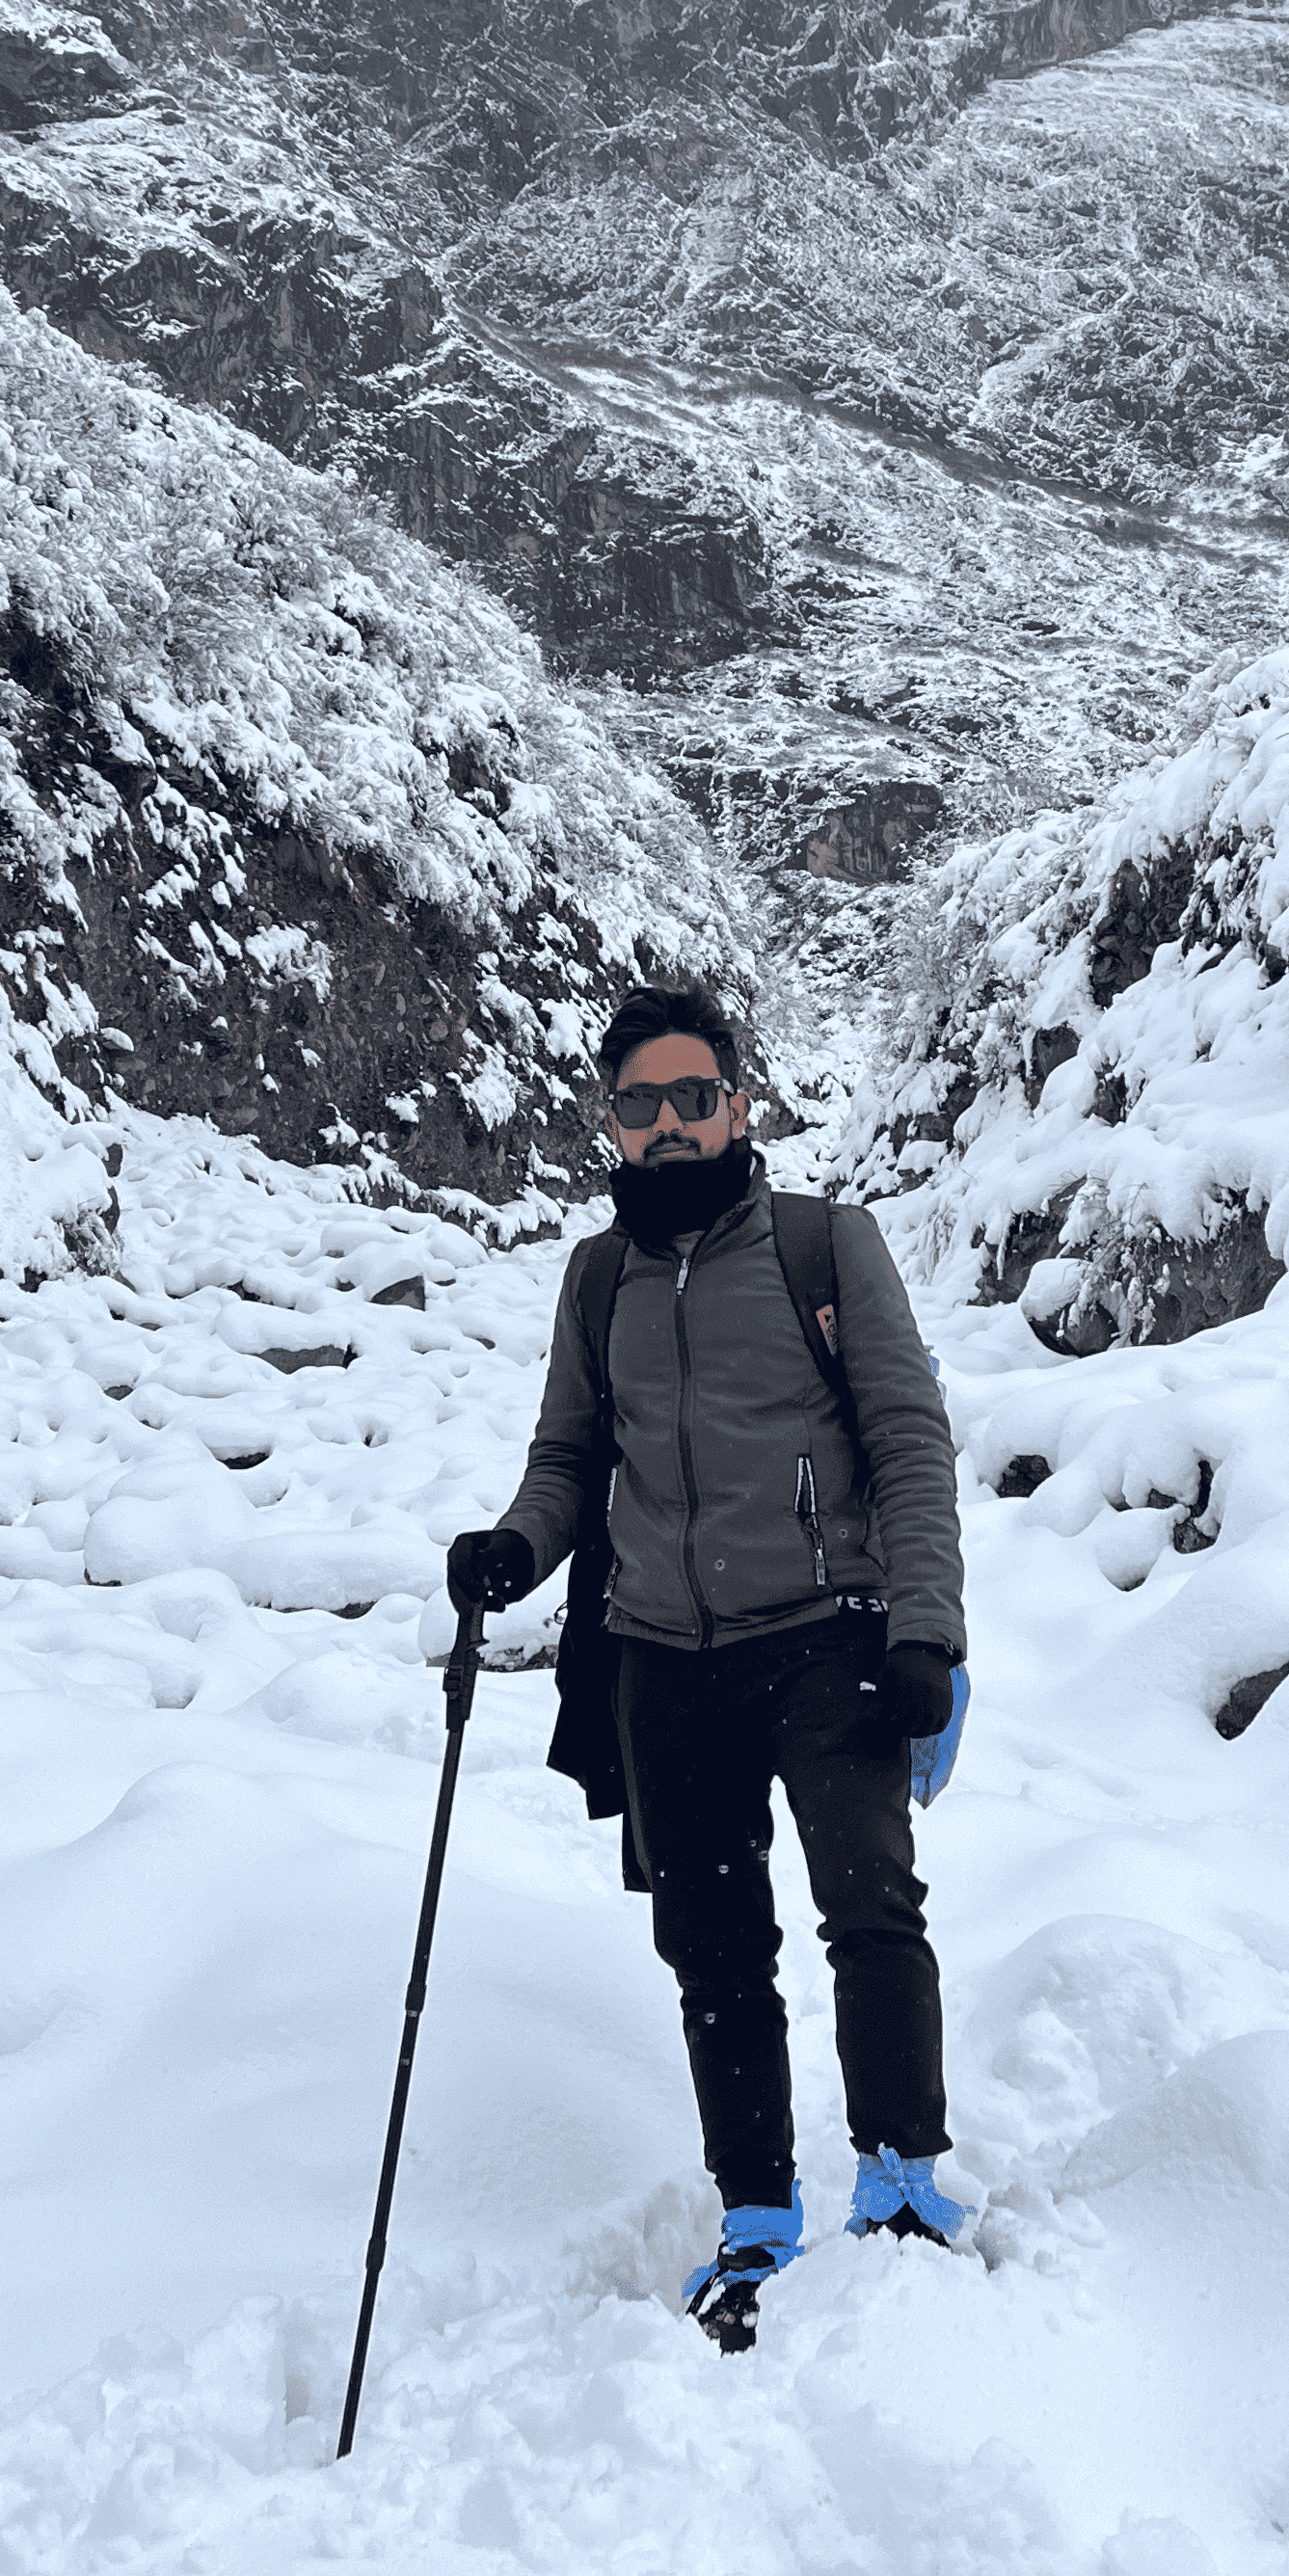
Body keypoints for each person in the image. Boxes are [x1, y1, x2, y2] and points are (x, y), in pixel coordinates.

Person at [446, 981, 970, 2352]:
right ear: (609, 1125)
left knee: (870, 1910)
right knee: (714, 1947)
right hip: (663, 1657)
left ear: (740, 1106)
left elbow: (909, 1440)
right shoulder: (598, 1276)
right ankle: (758, 2213)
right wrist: (516, 1550)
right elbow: (571, 1457)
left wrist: (927, 1629)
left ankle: (905, 2181)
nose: (670, 1124)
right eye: (641, 1103)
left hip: (827, 1633)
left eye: (695, 1097)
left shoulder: (823, 1247)